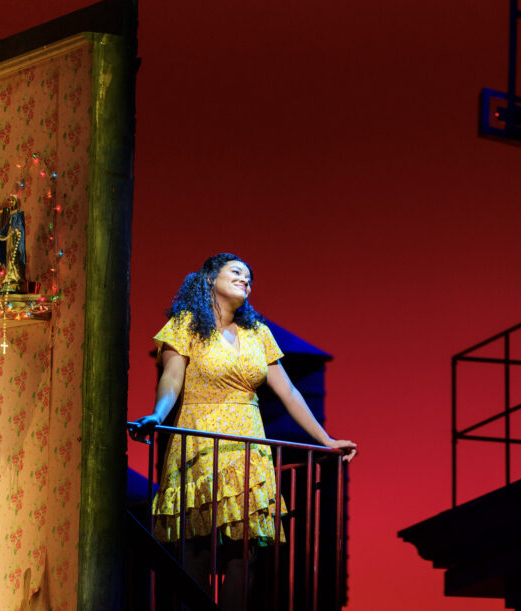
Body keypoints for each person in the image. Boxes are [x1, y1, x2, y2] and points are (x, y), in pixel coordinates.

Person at [132, 253, 356, 606]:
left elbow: (290, 393)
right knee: (197, 554)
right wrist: (158, 416)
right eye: (236, 272)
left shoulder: (258, 333)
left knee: (244, 557)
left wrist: (326, 440)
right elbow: (171, 379)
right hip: (200, 444)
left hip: (249, 449)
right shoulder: (185, 325)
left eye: (249, 276)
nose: (245, 280)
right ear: (209, 278)